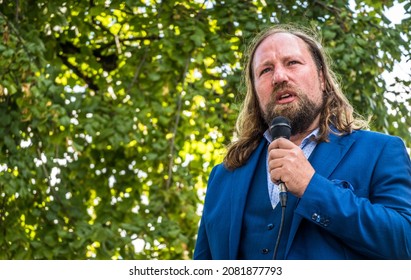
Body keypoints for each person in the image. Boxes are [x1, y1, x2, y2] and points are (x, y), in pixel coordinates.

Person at [193, 24, 411, 260]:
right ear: (255, 93)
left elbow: (404, 243)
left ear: (322, 78)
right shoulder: (224, 177)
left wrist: (312, 187)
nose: (279, 77)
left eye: (292, 63)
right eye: (265, 70)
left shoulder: (380, 151)